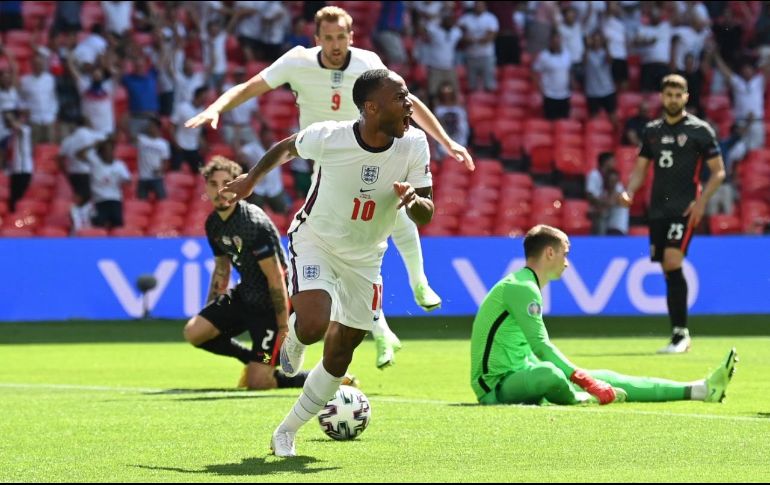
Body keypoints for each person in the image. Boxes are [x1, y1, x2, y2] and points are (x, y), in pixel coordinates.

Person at [186, 5, 473, 369]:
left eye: (342, 37)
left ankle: (415, 285)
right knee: (350, 237)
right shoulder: (297, 62)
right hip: (325, 158)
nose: (336, 45)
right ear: (316, 39)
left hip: (370, 152)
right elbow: (252, 85)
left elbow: (407, 102)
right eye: (329, 38)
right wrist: (217, 108)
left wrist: (446, 141)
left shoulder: (367, 62)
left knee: (389, 207)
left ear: (351, 37)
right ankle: (379, 329)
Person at [219, 69, 434, 457]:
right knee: (315, 322)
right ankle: (297, 342)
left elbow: (427, 211)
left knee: (340, 354)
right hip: (315, 239)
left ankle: (286, 431)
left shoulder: (415, 144)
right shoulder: (331, 136)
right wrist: (251, 179)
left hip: (367, 259)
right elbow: (287, 147)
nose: (410, 104)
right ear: (371, 107)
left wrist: (414, 203)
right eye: (401, 97)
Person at [470, 224, 738, 406]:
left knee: (610, 377)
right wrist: (586, 383)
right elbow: (541, 346)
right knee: (550, 374)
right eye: (565, 253)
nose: (567, 261)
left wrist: (588, 378)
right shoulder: (522, 288)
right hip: (496, 386)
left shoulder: (524, 285)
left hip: (522, 372)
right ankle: (581, 398)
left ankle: (700, 390)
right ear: (549, 252)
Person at [620, 74, 725, 353]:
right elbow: (641, 168)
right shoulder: (652, 131)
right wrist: (629, 191)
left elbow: (718, 172)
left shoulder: (700, 130)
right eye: (669, 95)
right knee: (668, 269)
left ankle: (681, 334)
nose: (673, 99)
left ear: (686, 97)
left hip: (685, 208)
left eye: (678, 95)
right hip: (658, 210)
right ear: (662, 97)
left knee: (672, 259)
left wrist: (701, 202)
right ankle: (678, 333)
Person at [182, 156, 307, 390]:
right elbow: (222, 269)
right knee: (195, 332)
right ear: (206, 188)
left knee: (258, 383)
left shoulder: (252, 223)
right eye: (213, 184)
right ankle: (253, 360)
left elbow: (276, 277)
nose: (220, 190)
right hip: (245, 294)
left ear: (237, 185)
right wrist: (210, 310)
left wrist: (283, 328)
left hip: (271, 304)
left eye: (227, 183)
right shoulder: (214, 224)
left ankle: (325, 379)